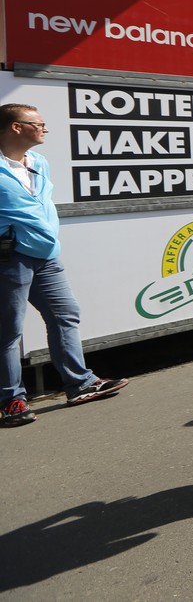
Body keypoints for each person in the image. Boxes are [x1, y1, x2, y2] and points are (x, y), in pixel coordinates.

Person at [1, 104, 128, 426]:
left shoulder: (38, 162)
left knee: (65, 314)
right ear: (16, 127)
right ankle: (10, 400)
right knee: (8, 330)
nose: (44, 128)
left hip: (46, 255)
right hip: (9, 257)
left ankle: (80, 384)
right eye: (38, 123)